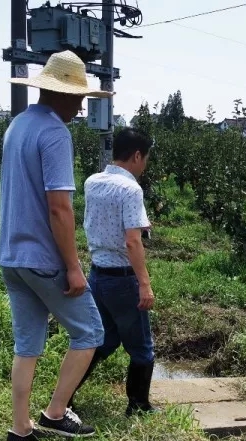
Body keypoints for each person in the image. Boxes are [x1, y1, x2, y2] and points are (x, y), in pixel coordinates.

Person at [0, 51, 112, 441]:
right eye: (79, 97)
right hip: (44, 259)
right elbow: (59, 208)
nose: (81, 106)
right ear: (60, 93)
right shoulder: (54, 133)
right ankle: (55, 413)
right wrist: (74, 267)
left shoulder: (18, 125)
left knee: (27, 342)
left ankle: (20, 425)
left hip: (12, 256)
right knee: (90, 332)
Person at [68, 127, 159, 416]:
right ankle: (139, 405)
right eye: (145, 158)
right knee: (142, 347)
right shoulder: (131, 188)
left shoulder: (93, 181)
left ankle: (65, 395)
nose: (145, 165)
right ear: (136, 155)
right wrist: (144, 284)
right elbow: (132, 241)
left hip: (98, 276)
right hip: (122, 278)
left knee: (104, 339)